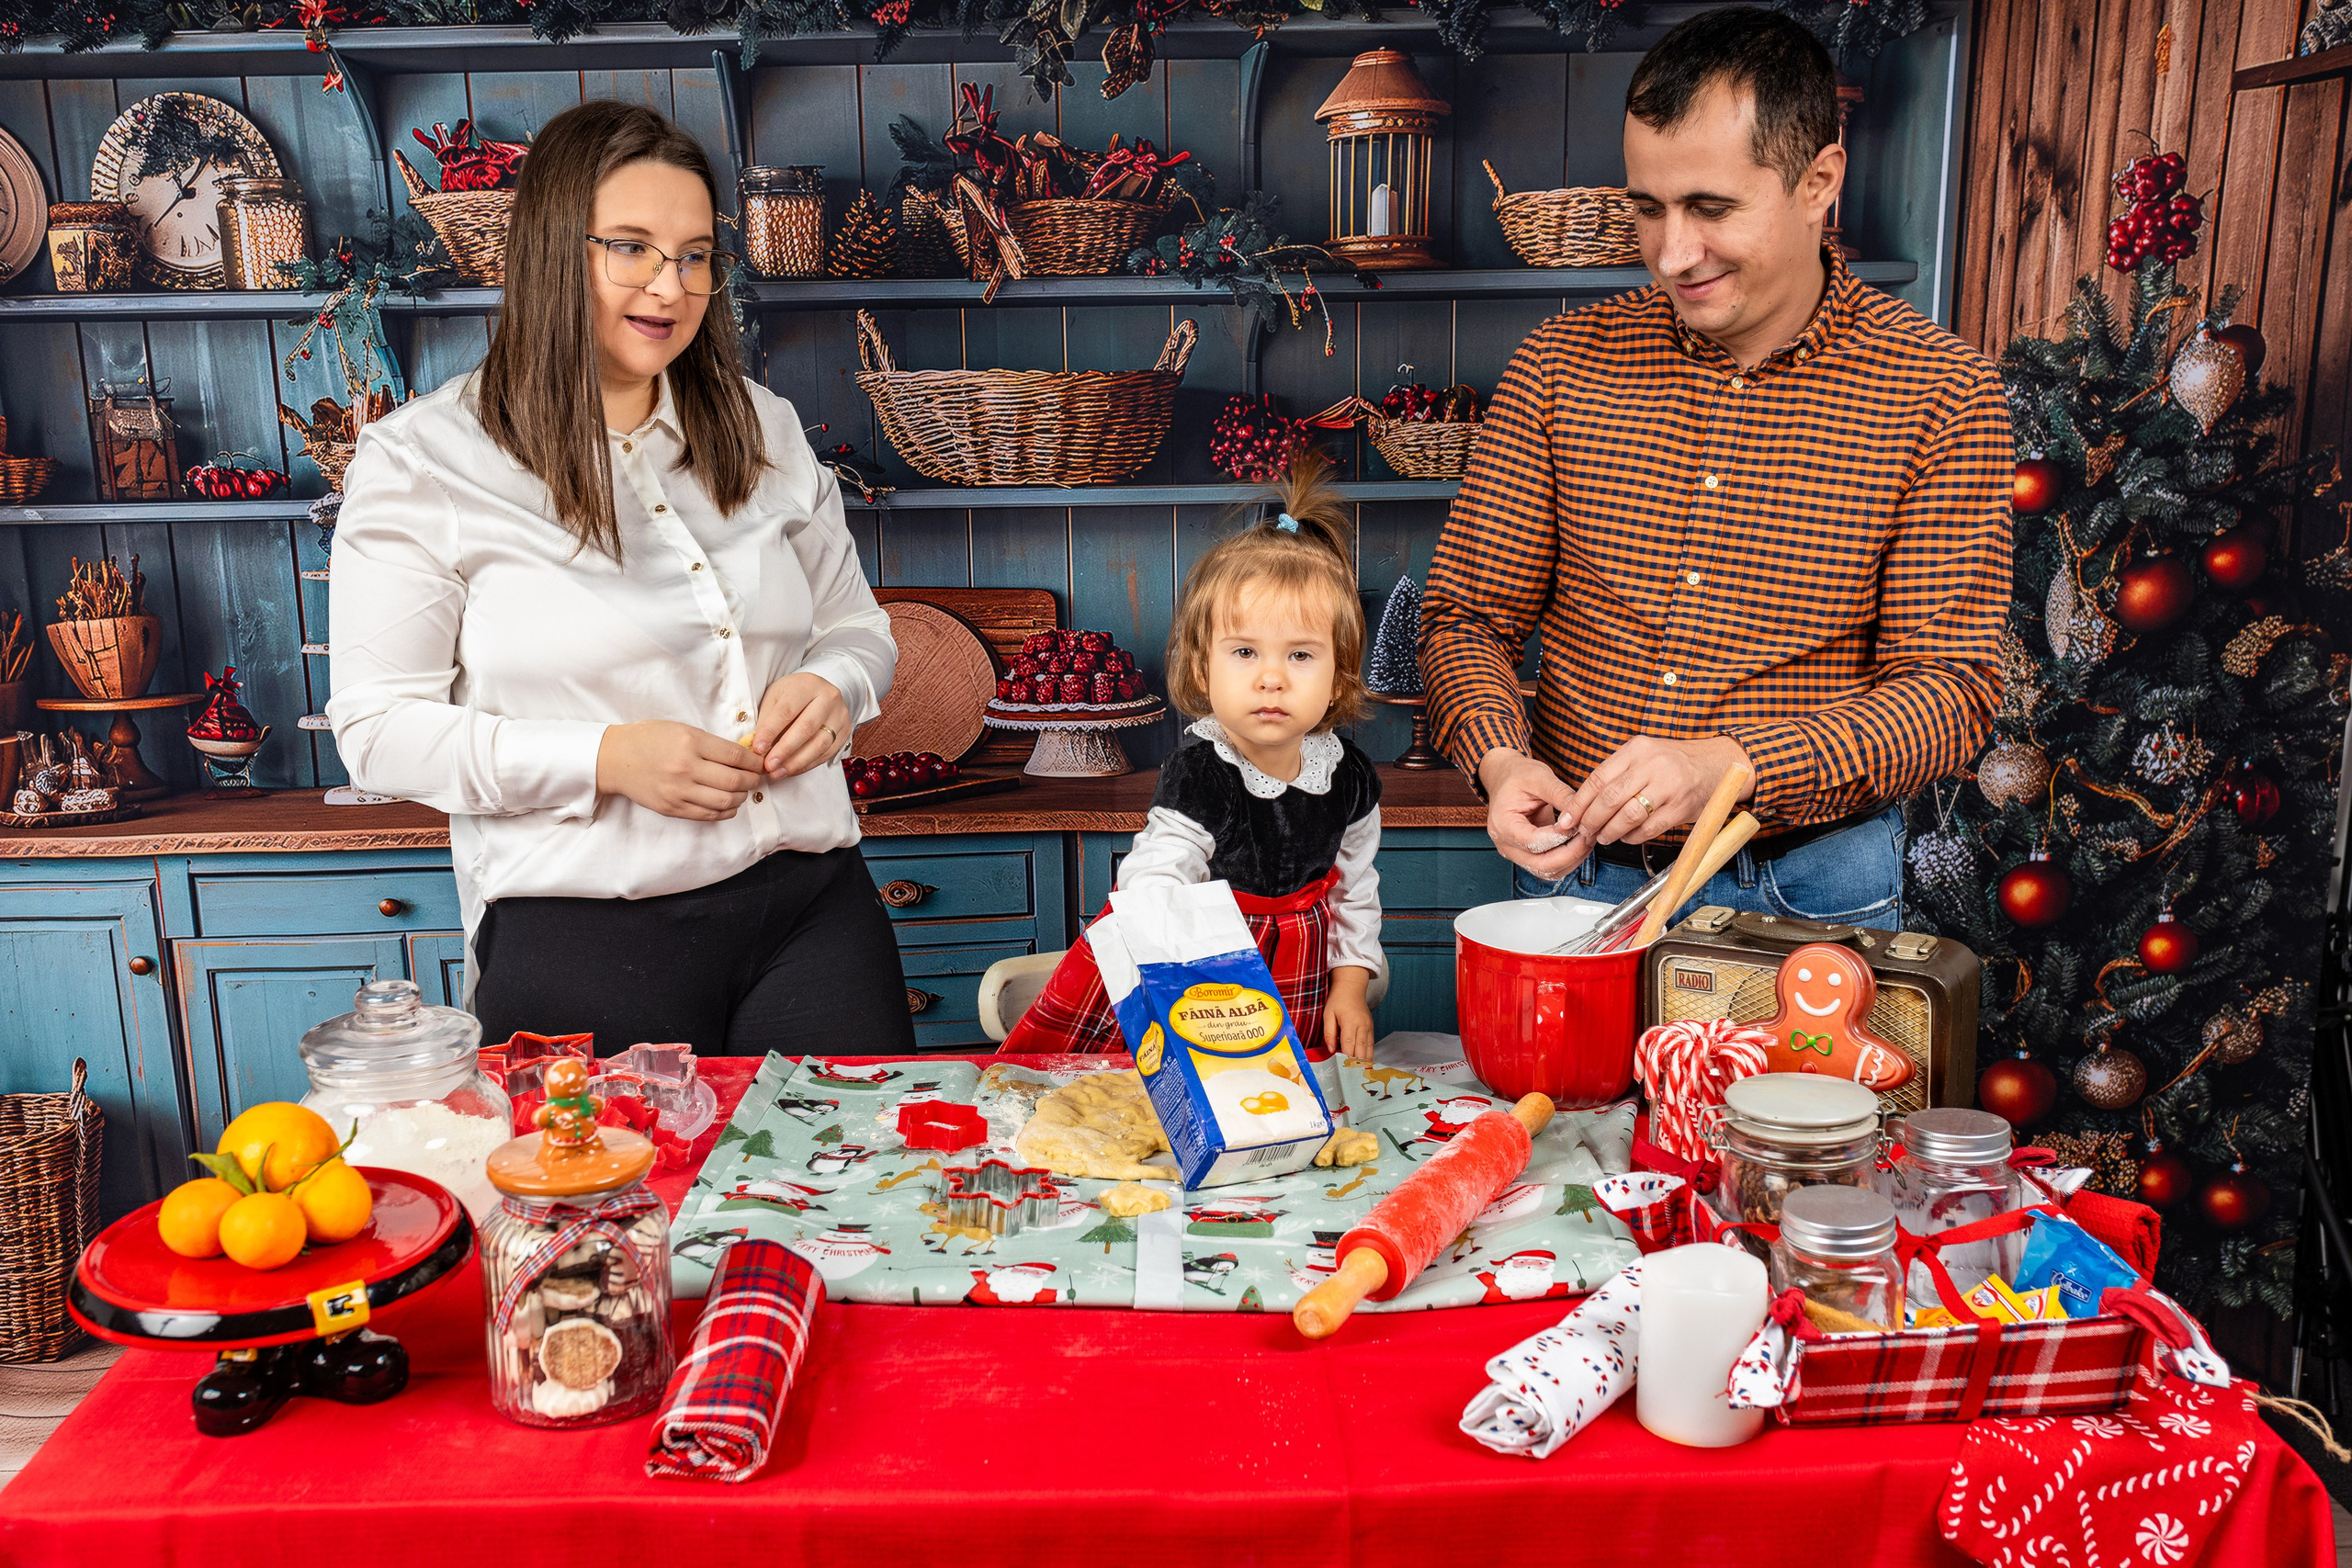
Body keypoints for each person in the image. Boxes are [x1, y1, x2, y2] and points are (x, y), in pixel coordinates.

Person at [328, 100, 909, 1055]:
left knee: (849, 1198)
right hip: (581, 931)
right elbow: (378, 733)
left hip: (812, 912)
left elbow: (859, 631)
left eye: (692, 254)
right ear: (556, 250)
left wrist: (834, 684)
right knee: (613, 1211)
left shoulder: (760, 426)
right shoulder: (425, 462)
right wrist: (605, 759)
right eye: (631, 247)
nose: (670, 286)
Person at [1422, 6, 2011, 931]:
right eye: (1647, 208)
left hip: (1816, 891)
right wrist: (1503, 761)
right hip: (1579, 880)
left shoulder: (1941, 391)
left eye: (1710, 207)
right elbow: (1465, 617)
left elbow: (1950, 692)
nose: (1673, 253)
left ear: (1818, 181)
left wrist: (1730, 768)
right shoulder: (1558, 364)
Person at [1002, 453, 1384, 1060]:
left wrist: (1352, 986)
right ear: (1204, 669)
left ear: (1338, 680)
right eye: (1245, 653)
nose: (1271, 679)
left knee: (1279, 1106)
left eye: (1301, 656)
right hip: (1198, 969)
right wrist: (1187, 978)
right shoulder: (1204, 770)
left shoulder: (1350, 777)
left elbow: (1355, 893)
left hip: (1297, 980)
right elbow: (1155, 874)